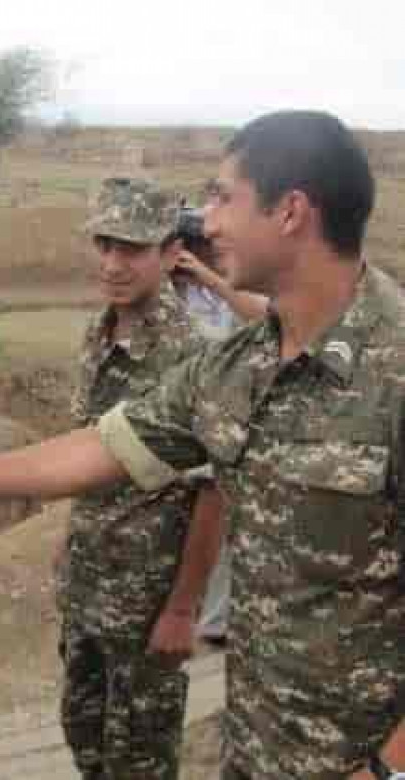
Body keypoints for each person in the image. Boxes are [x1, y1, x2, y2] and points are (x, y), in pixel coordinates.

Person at [0, 110, 405, 779]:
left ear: (290, 212)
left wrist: (385, 771)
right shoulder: (237, 366)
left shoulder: (393, 370)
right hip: (256, 748)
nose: (207, 223)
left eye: (222, 197)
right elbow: (107, 446)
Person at [55, 177, 223, 779]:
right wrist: (69, 542)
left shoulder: (195, 355)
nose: (112, 263)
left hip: (149, 601)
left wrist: (182, 608)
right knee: (84, 736)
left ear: (171, 252)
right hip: (88, 584)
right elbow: (87, 450)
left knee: (141, 760)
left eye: (131, 248)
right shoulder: (97, 333)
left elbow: (213, 491)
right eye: (104, 244)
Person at [167, 221, 268, 647]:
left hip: (226, 415)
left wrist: (209, 278)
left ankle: (215, 623)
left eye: (198, 245)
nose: (192, 253)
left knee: (221, 519)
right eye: (184, 245)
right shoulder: (166, 292)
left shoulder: (234, 282)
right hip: (174, 412)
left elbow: (268, 317)